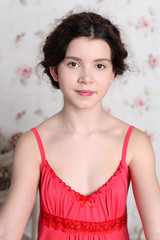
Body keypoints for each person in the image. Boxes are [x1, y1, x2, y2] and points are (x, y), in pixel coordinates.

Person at [0, 10, 160, 240]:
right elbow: (7, 232)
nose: (87, 78)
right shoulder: (33, 144)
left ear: (113, 73)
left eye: (100, 66)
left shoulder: (135, 144)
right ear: (55, 70)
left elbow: (156, 231)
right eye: (74, 64)